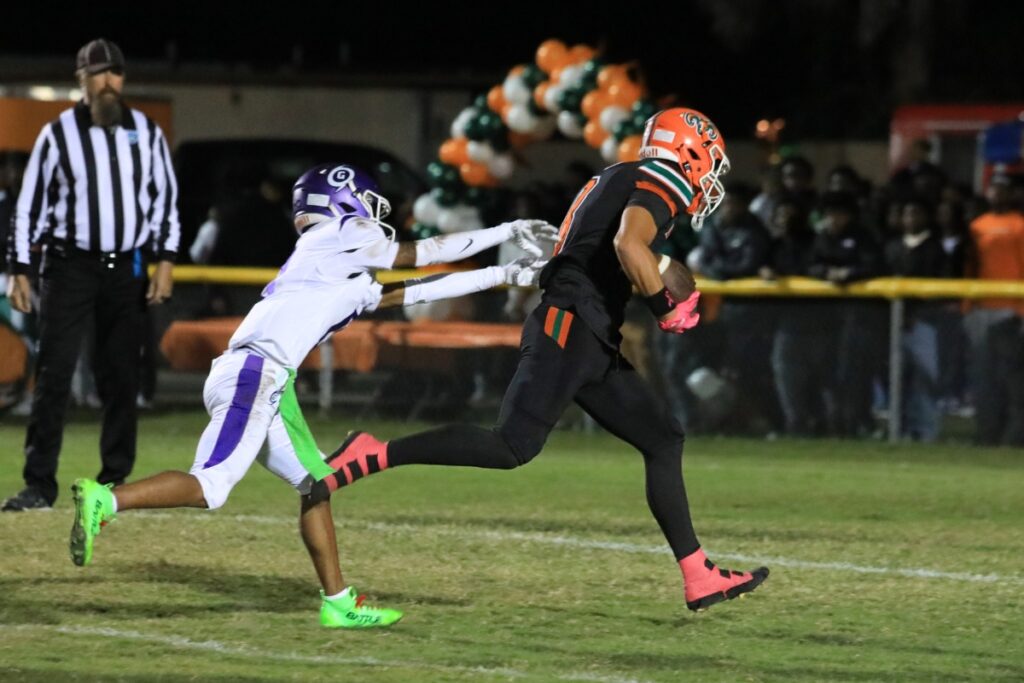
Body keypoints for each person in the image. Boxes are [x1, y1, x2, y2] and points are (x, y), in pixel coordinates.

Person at [317, 109, 770, 614]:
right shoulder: (657, 177)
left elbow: (618, 246)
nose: (710, 177)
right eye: (709, 162)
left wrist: (660, 275)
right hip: (570, 326)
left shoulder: (621, 175)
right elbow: (627, 244)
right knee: (511, 446)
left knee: (663, 437)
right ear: (688, 151)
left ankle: (698, 575)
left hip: (588, 332)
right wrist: (666, 306)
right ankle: (373, 451)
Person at [68, 163, 555, 628]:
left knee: (316, 482)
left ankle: (339, 603)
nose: (374, 214)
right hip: (255, 373)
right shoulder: (341, 234)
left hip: (268, 379)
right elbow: (419, 253)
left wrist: (504, 275)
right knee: (211, 487)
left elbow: (414, 290)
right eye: (365, 202)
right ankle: (107, 500)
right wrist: (506, 231)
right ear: (343, 200)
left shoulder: (335, 263)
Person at [3, 39, 178, 512]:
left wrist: (165, 261)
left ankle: (115, 483)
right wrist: (19, 268)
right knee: (55, 373)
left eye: (115, 73)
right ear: (80, 80)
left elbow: (164, 199)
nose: (108, 83)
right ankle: (39, 484)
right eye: (98, 74)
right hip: (68, 266)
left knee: (122, 376)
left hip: (125, 269)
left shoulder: (145, 131)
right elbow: (29, 206)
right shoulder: (56, 134)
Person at [964, 174, 1024, 445]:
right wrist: (968, 304)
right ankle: (986, 433)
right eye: (994, 189)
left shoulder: (1020, 225)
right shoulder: (978, 226)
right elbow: (970, 267)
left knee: (1011, 378)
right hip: (983, 309)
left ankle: (1012, 436)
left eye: (1003, 189)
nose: (997, 194)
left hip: (1012, 311)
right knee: (984, 377)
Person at [884, 197, 950, 441]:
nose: (911, 219)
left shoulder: (935, 248)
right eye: (907, 214)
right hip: (892, 322)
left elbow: (942, 287)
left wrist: (915, 314)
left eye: (916, 214)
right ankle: (897, 430)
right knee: (895, 380)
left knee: (925, 379)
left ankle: (926, 431)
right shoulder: (892, 246)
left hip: (924, 323)